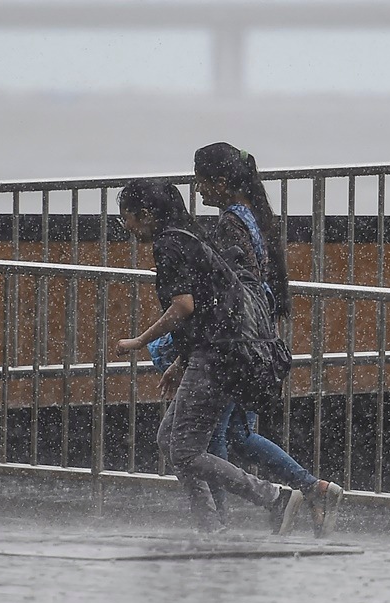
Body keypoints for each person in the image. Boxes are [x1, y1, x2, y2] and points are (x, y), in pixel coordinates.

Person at [113, 178, 303, 535]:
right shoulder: (191, 236)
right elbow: (209, 309)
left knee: (185, 450)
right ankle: (210, 526)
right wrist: (180, 362)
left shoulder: (169, 244)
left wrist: (140, 340)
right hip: (222, 352)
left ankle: (274, 497)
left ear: (146, 214)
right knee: (169, 440)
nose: (127, 227)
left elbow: (184, 306)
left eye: (127, 218)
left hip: (217, 357)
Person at [192, 141, 344, 537]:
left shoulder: (231, 223)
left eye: (201, 180)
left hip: (237, 342)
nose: (198, 189)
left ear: (220, 181)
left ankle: (218, 521)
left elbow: (230, 288)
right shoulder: (253, 217)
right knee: (239, 435)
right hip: (256, 340)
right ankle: (313, 489)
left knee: (213, 437)